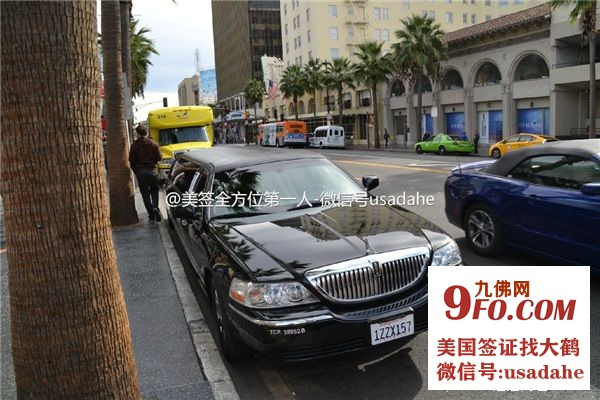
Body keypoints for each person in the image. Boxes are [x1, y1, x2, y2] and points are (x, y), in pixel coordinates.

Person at [129, 125, 162, 225]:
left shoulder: (134, 145)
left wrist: (137, 172)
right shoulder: (153, 143)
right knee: (154, 190)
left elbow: (131, 160)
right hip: (153, 171)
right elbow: (159, 157)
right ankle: (155, 207)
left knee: (145, 194)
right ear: (146, 132)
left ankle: (151, 216)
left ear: (138, 133)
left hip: (141, 172)